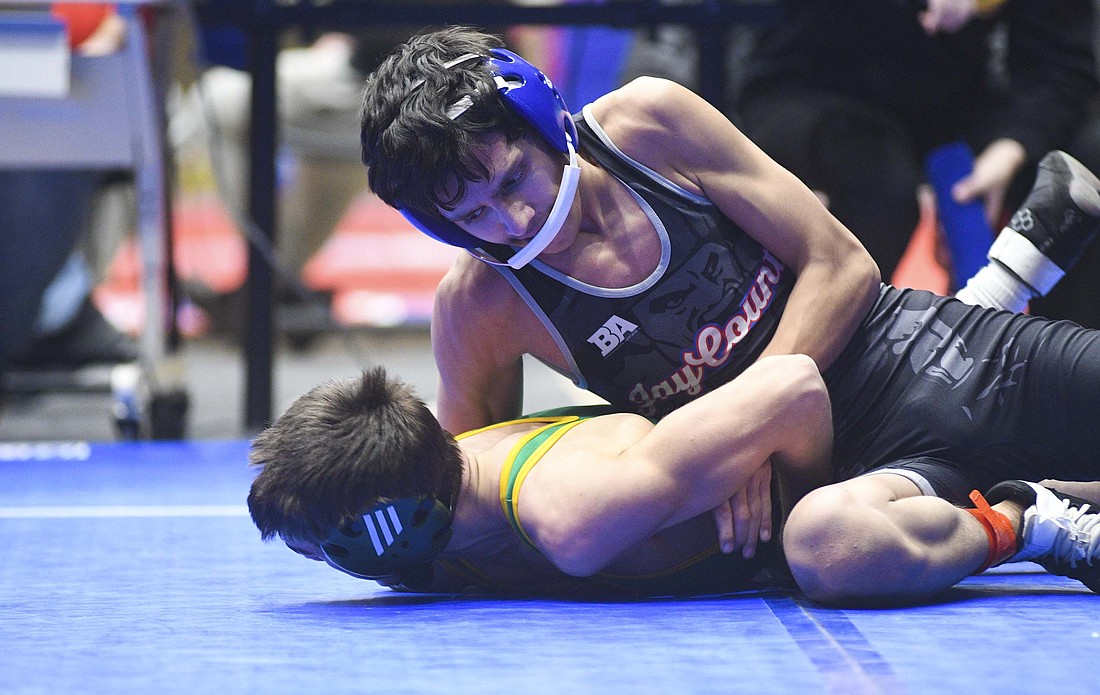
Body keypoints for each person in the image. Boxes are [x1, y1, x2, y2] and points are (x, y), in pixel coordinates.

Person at [351, 27, 1100, 602]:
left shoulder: (650, 126)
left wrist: (745, 436)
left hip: (936, 357)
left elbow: (841, 265)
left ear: (543, 121)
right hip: (853, 488)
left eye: (514, 178)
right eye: (473, 214)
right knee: (833, 554)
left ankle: (998, 299)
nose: (512, 219)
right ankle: (1025, 510)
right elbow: (478, 492)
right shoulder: (480, 305)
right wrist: (372, 530)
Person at [247, 363, 1100, 603]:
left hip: (878, 454)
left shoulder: (571, 514)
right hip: (867, 435)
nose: (329, 565)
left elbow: (794, 387)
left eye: (329, 548)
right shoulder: (441, 454)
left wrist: (785, 508)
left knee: (824, 547)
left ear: (405, 519)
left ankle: (1028, 517)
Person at [735, 0, 1100, 308]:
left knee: (1085, 161)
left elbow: (1059, 65)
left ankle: (1060, 367)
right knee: (880, 188)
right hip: (817, 81)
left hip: (953, 102)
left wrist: (1009, 151)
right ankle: (830, 364)